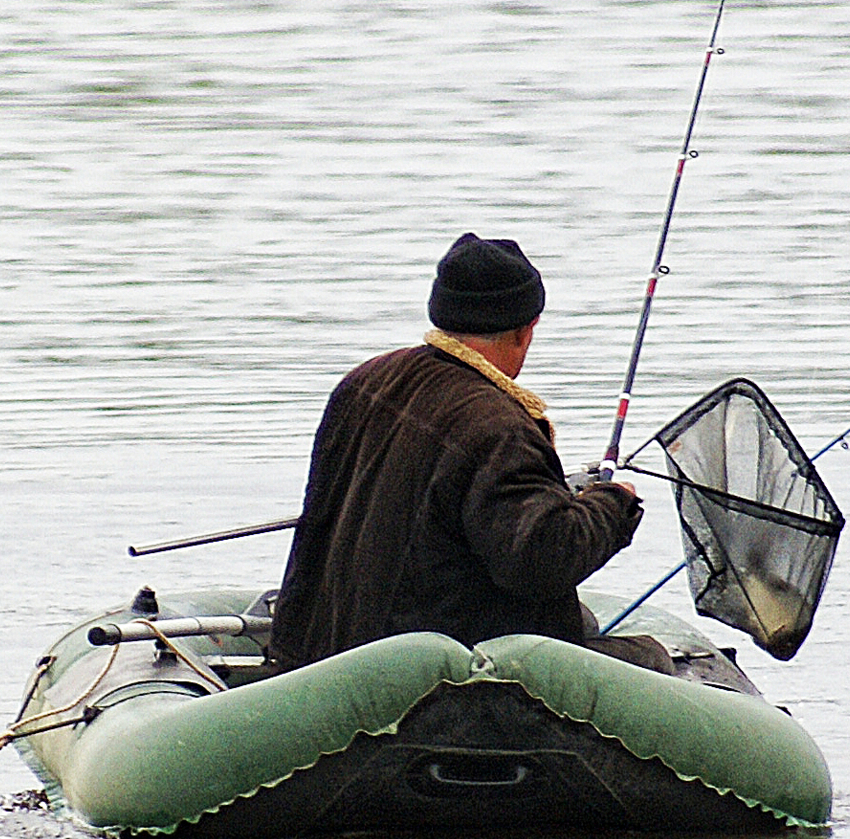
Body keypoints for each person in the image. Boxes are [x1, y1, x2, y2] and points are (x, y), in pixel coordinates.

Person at [269, 232, 644, 670]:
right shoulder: (499, 429)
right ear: (527, 329)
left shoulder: (365, 381)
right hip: (434, 679)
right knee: (650, 659)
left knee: (584, 622)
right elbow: (542, 560)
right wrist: (614, 503)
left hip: (326, 649)